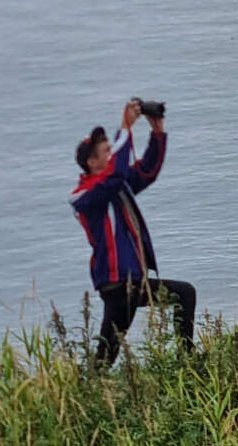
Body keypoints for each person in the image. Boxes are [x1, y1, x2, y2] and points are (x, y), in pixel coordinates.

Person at [70, 100, 196, 366]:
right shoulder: (85, 196)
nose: (111, 154)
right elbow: (115, 174)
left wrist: (157, 132)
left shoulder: (116, 184)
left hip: (133, 283)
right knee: (105, 356)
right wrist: (125, 127)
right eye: (106, 151)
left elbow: (147, 172)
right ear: (92, 162)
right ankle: (188, 362)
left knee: (184, 294)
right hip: (117, 285)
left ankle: (187, 361)